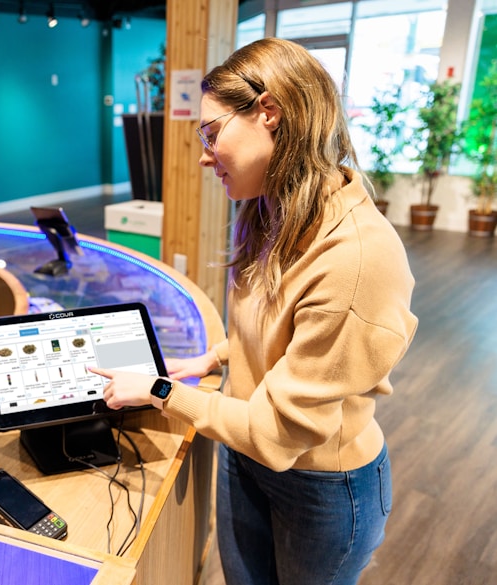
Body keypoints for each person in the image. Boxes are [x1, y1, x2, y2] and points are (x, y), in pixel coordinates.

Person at [90, 38, 418, 584]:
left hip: (320, 485)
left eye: (212, 132)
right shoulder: (274, 209)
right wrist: (213, 359)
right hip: (242, 450)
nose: (203, 154)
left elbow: (278, 432)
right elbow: (276, 327)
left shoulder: (357, 260)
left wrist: (160, 392)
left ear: (269, 112)